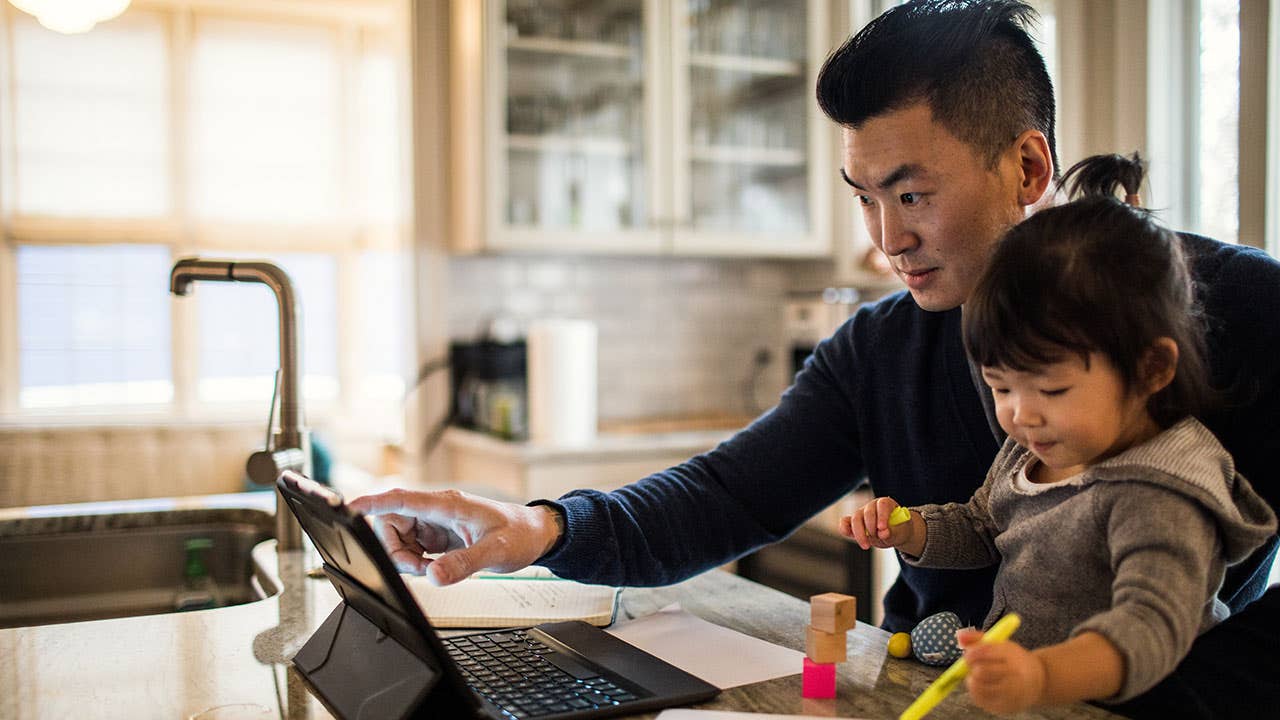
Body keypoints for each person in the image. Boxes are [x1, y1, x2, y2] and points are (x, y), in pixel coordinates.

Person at [351, 1, 1280, 715]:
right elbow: (727, 496)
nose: (887, 240)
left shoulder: (1235, 305)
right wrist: (542, 528)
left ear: (1028, 169)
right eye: (864, 196)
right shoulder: (879, 347)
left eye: (912, 194)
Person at [842, 153, 1277, 714]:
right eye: (1002, 388)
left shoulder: (1162, 490)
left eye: (1051, 391)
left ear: (1150, 370)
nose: (1022, 414)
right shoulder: (1035, 447)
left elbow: (1150, 628)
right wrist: (913, 531)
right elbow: (983, 525)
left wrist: (1043, 674)